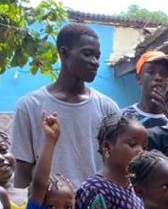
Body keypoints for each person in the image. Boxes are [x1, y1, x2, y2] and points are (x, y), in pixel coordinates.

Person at [12, 23, 120, 188]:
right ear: (64, 53)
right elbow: (23, 170)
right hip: (47, 203)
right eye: (87, 54)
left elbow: (117, 165)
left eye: (97, 56)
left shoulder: (108, 108)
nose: (95, 62)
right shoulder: (30, 106)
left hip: (97, 202)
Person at [123, 51, 168, 136]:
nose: (158, 78)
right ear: (139, 78)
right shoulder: (123, 117)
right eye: (151, 72)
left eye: (165, 74)